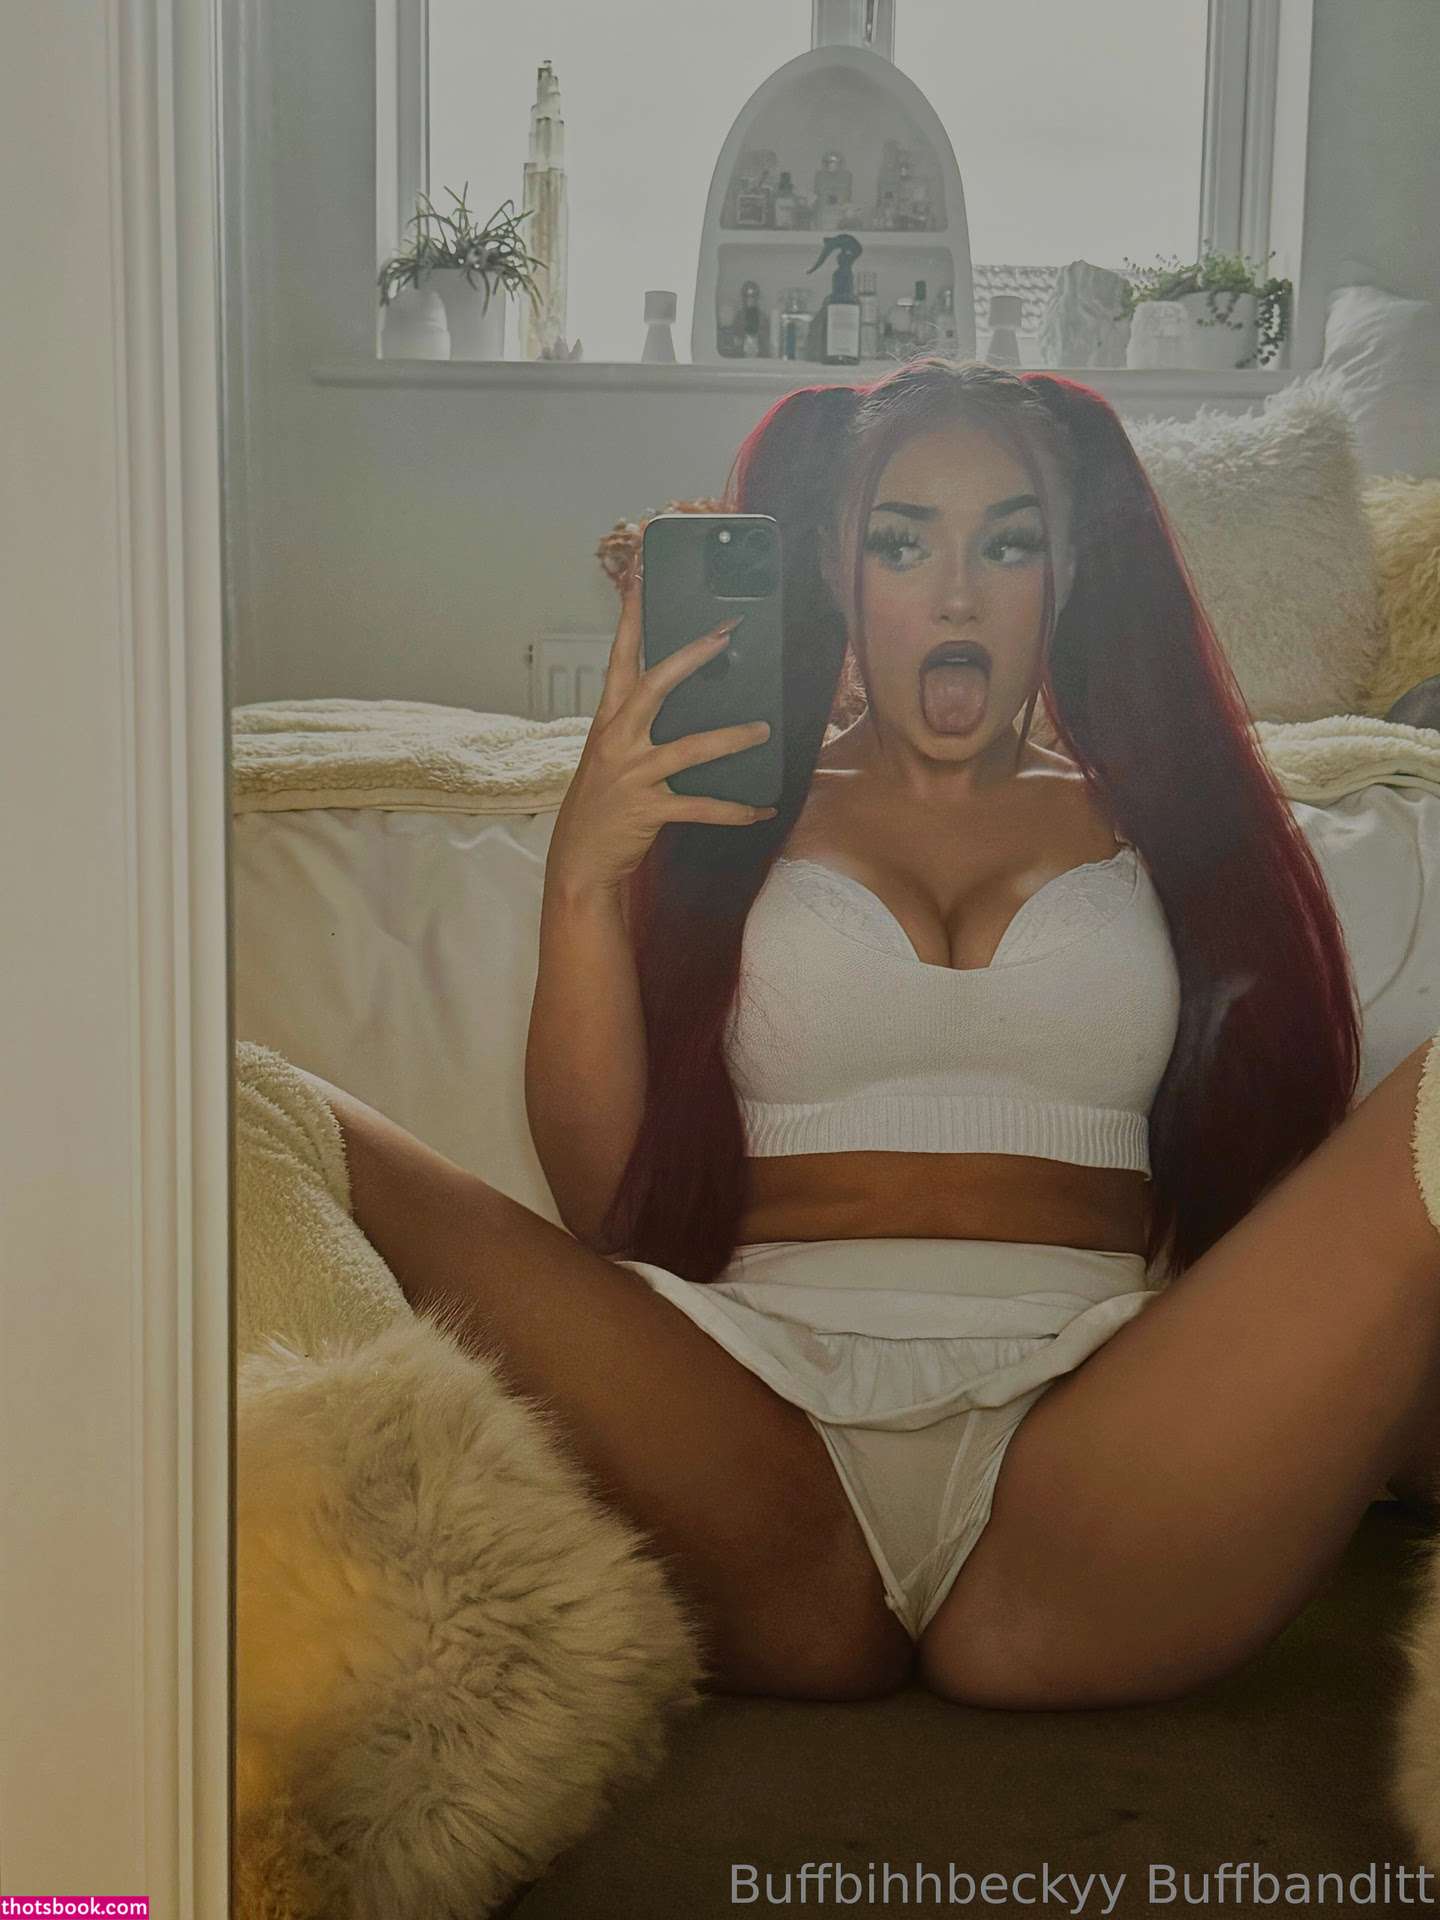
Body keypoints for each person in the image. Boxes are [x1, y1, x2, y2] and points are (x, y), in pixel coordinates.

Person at [310, 359, 1440, 1713]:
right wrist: (584, 877)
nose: (956, 595)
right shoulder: (722, 816)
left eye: (1008, 543)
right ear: (840, 578)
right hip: (760, 1438)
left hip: (1087, 1460)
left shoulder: (1171, 826)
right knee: (258, 1108)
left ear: (1069, 576)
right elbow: (607, 1206)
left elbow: (1270, 1187)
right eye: (903, 543)